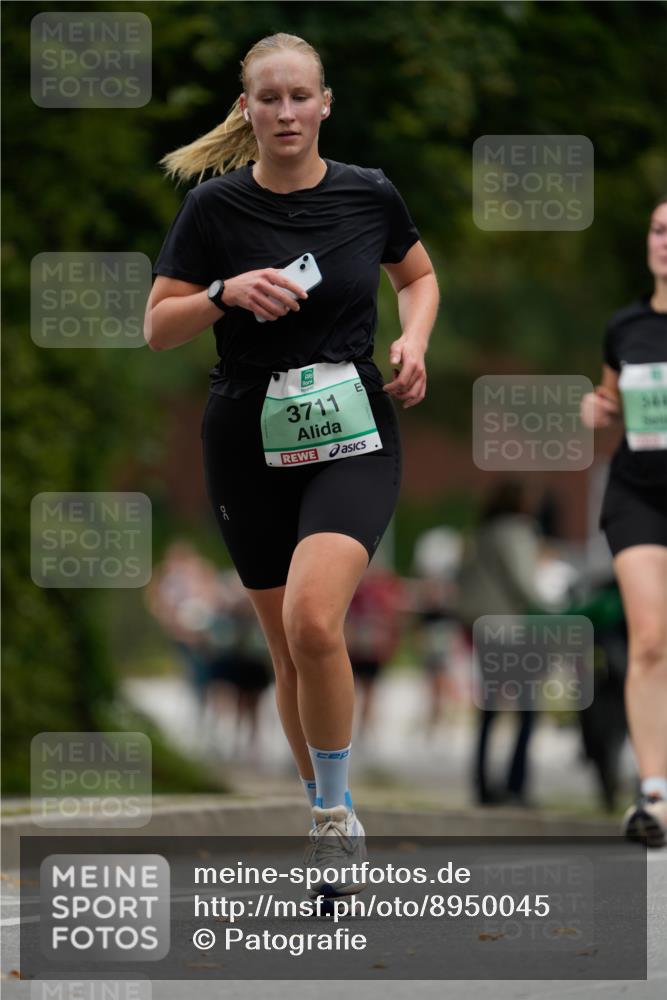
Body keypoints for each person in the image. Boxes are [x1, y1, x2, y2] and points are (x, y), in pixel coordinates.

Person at [144, 33, 439, 894]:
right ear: (247, 109)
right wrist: (220, 294)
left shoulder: (368, 194)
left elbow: (416, 277)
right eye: (266, 98)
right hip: (246, 437)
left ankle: (333, 816)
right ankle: (328, 810)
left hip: (352, 431)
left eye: (298, 96)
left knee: (316, 623)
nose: (283, 111)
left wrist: (413, 338)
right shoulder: (213, 211)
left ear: (324, 105)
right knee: (284, 648)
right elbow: (157, 325)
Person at [580, 196, 667, 846]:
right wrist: (598, 407)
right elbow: (611, 397)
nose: (664, 241)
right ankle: (654, 794)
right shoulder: (625, 325)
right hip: (636, 493)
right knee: (647, 639)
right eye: (659, 230)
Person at [457, 480, 547, 806]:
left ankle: (481, 784)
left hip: (483, 628)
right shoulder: (517, 531)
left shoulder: (482, 532)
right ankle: (516, 785)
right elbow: (522, 581)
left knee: (490, 708)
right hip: (511, 630)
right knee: (527, 710)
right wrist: (552, 610)